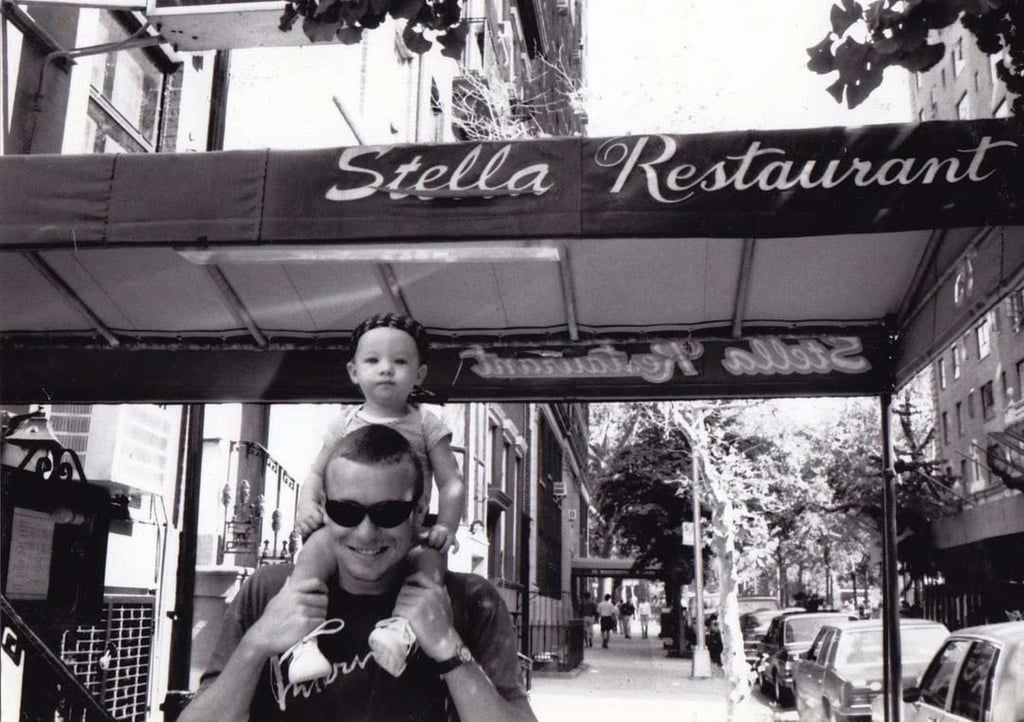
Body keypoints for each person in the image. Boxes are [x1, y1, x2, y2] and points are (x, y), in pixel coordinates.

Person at [180, 425, 534, 722]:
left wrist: (447, 645)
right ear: (324, 509)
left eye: (387, 512)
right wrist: (256, 644)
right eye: (346, 511)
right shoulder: (271, 591)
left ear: (419, 511)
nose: (365, 533)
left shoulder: (470, 600)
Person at [287, 314, 467, 681]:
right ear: (354, 372)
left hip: (408, 528)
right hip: (348, 525)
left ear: (419, 374)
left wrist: (446, 526)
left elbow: (451, 481)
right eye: (373, 360)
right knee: (313, 554)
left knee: (431, 561)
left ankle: (400, 631)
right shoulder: (342, 423)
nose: (386, 369)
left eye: (399, 361)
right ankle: (303, 640)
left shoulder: (427, 424)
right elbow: (316, 473)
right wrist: (307, 506)